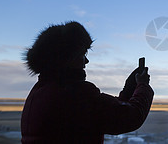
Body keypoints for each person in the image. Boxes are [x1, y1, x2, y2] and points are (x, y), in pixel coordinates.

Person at [21, 21, 154, 143]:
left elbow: (103, 112)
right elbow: (129, 117)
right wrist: (142, 86)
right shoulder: (75, 94)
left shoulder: (39, 92)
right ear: (67, 58)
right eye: (82, 54)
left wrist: (129, 89)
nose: (86, 61)